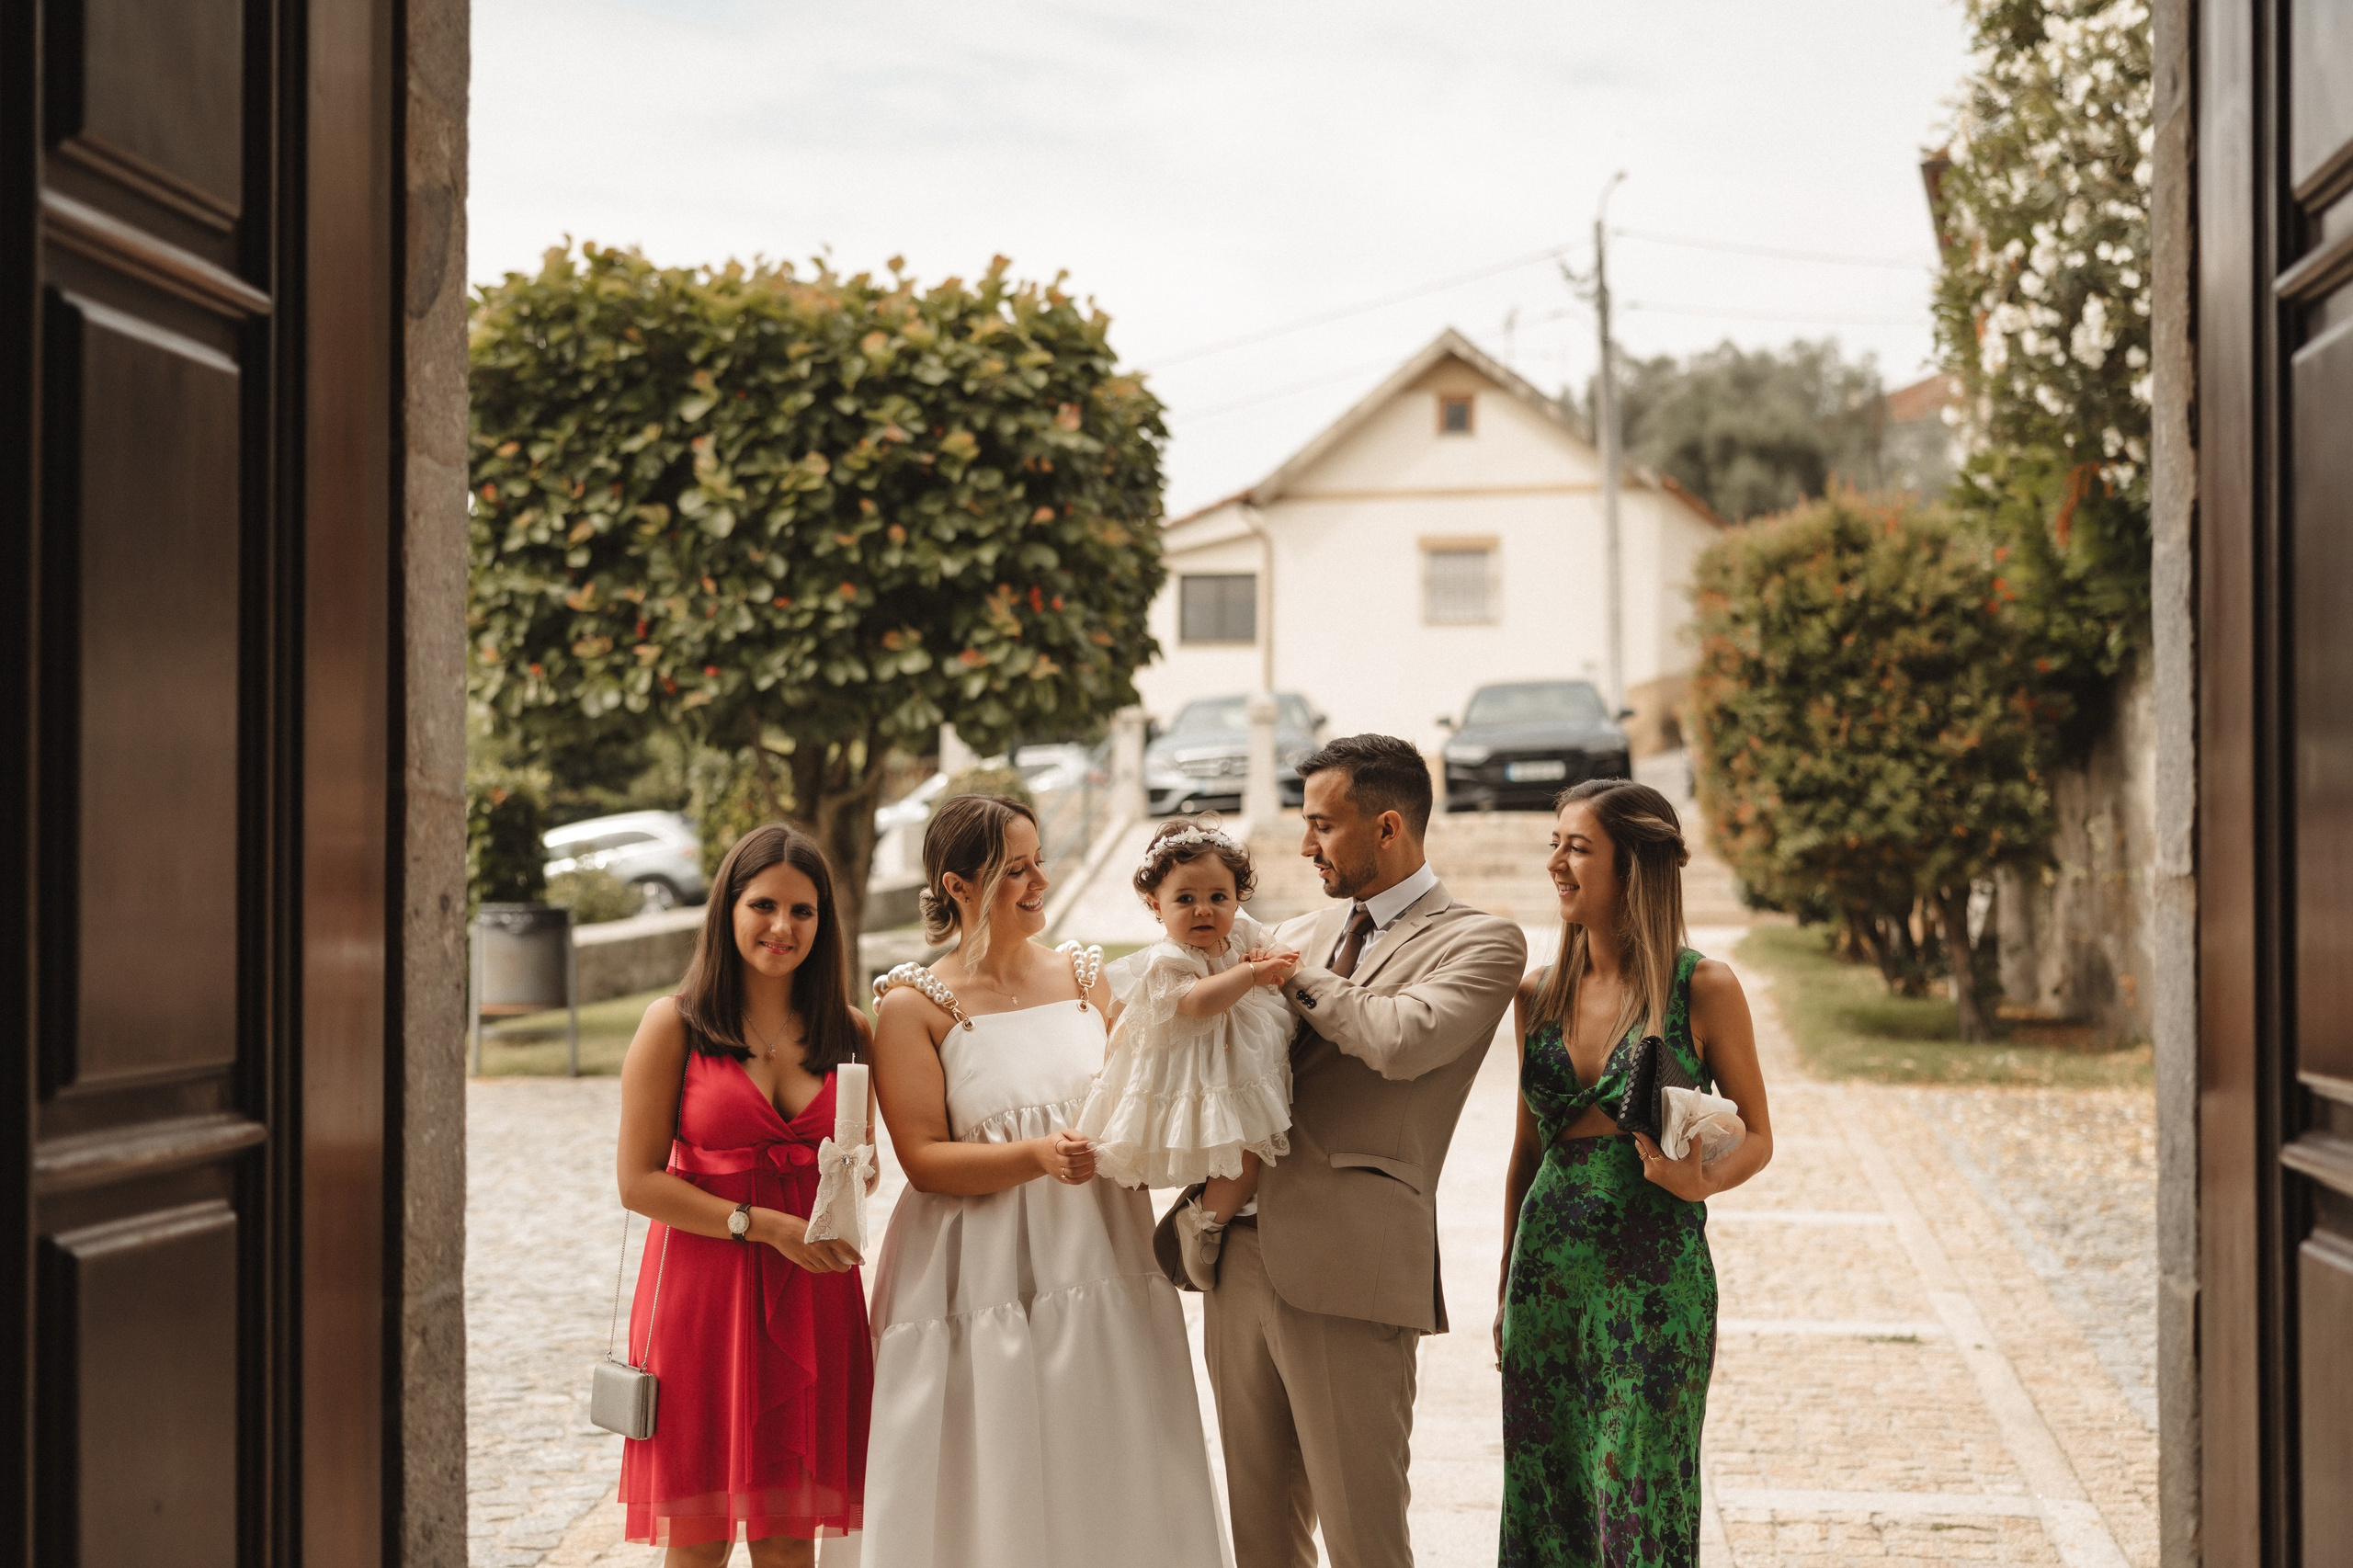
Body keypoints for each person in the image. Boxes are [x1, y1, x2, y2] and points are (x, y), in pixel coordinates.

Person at [1154, 733, 1528, 1568]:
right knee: (1261, 1539)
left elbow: (1398, 1039)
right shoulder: (1295, 928)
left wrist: (1288, 975)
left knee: (1365, 1539)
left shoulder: (1483, 940)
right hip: (1237, 1260)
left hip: (1352, 1265)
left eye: (1322, 826)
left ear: (1388, 827)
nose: (1304, 846)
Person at [864, 794, 1230, 1568]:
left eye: (1039, 862)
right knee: (992, 1459)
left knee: (1106, 1440)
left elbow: (1142, 1091)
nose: (1040, 881)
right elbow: (924, 1160)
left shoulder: (1086, 974)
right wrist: (1034, 1157)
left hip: (1101, 1250)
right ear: (960, 886)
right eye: (1017, 869)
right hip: (975, 1269)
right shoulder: (911, 1004)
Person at [1495, 778, 1775, 1568]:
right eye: (1555, 843)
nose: (1556, 861)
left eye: (1577, 847)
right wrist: (1501, 1292)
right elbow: (1526, 1155)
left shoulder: (1704, 988)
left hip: (1655, 1283)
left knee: (1636, 1491)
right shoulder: (1537, 997)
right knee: (1548, 1495)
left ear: (1634, 868)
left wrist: (1703, 1183)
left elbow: (1757, 1135)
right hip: (1545, 1282)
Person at [612, 824, 877, 1564]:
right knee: (695, 1543)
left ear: (824, 924)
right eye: (763, 905)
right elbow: (636, 1182)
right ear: (727, 909)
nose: (782, 927)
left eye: (803, 911)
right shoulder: (675, 1025)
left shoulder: (852, 1033)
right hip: (703, 1293)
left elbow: (861, 1162)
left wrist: (854, 1174)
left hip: (815, 1291)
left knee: (791, 1540)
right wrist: (759, 1224)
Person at [1076, 817, 1299, 1284]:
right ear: (1156, 905)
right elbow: (1199, 1003)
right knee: (1236, 1148)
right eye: (1185, 899)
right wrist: (1250, 975)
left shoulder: (1241, 932)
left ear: (1238, 897)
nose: (1204, 910)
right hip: (1195, 1069)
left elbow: (1282, 955)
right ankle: (1200, 1224)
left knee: (1254, 1146)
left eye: (1219, 897)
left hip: (1241, 1052)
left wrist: (1268, 959)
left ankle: (1206, 1216)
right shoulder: (1165, 960)